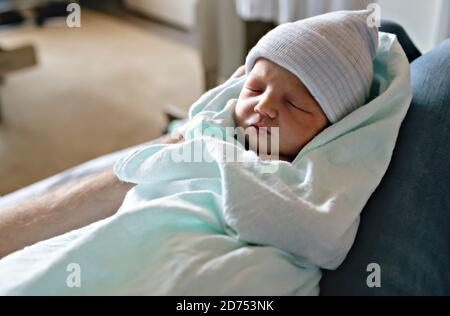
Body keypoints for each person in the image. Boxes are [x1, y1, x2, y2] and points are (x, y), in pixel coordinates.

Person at [0, 10, 391, 259]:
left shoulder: (309, 179)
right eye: (255, 89)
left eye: (295, 105)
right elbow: (179, 148)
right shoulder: (218, 129)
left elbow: (316, 234)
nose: (264, 107)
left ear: (332, 128)